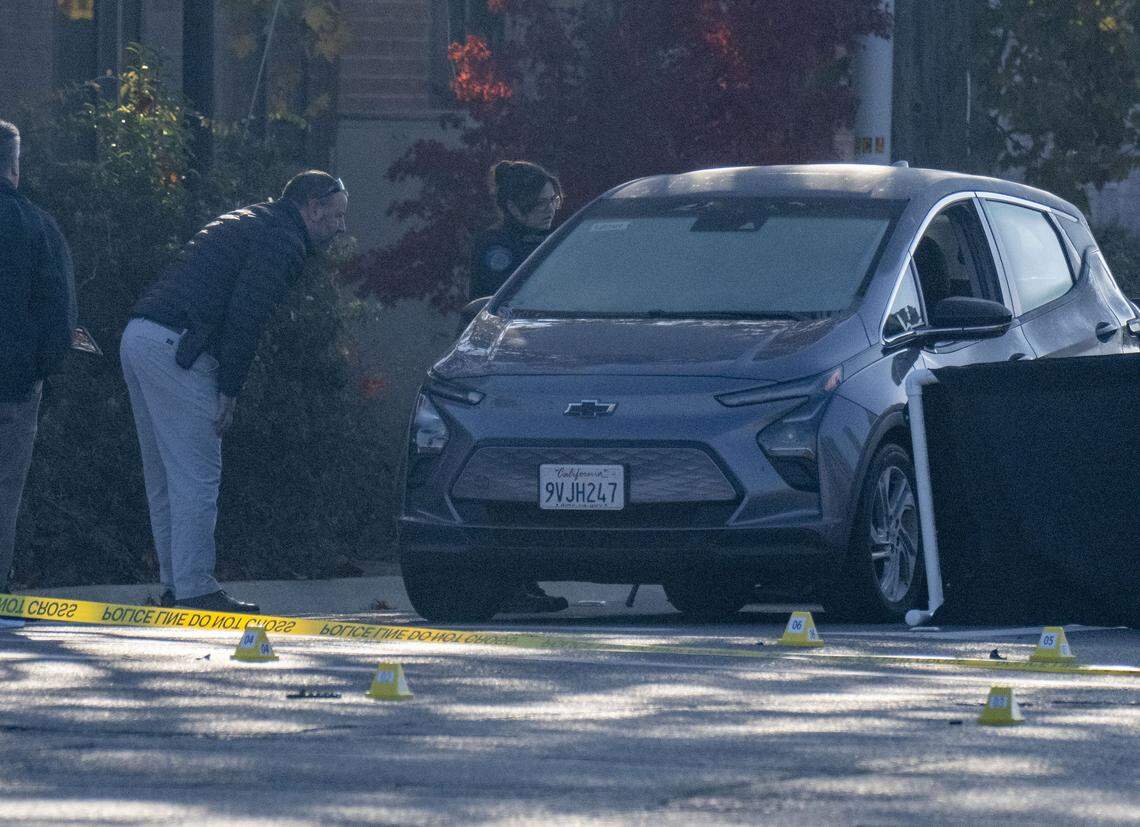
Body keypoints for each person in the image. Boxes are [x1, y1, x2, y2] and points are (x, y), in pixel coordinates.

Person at [120, 170, 348, 614]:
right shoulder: (283, 240)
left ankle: (176, 583)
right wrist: (230, 390)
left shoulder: (251, 220)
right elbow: (248, 313)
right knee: (196, 475)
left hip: (141, 335)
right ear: (311, 207)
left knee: (164, 478)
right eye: (336, 215)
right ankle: (194, 589)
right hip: (179, 349)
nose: (341, 226)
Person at [469, 160, 569, 614]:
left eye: (554, 201)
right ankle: (509, 580)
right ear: (512, 207)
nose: (550, 211)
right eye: (539, 205)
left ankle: (526, 577)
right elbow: (491, 309)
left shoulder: (557, 243)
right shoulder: (496, 248)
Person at [0, 120, 72, 630]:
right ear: (14, 165)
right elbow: (59, 317)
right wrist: (37, 373)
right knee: (4, 489)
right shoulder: (37, 225)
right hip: (13, 384)